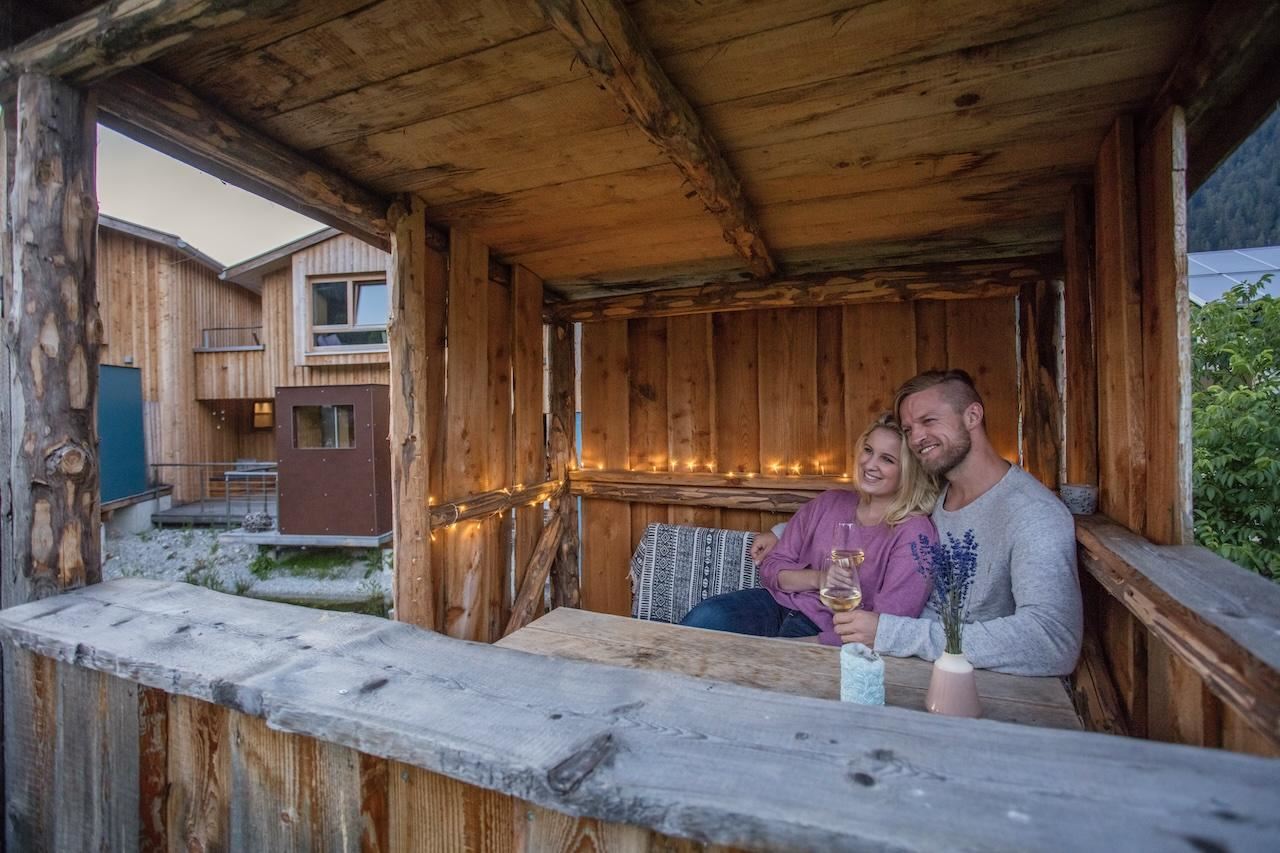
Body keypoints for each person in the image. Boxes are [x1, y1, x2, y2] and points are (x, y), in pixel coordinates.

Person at [834, 369, 1083, 676]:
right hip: (894, 661)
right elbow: (874, 519)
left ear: (972, 416)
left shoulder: (1033, 513)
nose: (916, 438)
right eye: (909, 429)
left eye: (929, 421)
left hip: (968, 682)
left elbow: (1052, 642)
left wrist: (891, 634)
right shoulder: (933, 494)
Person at [681, 413, 938, 645]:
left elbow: (886, 627)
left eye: (887, 459)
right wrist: (819, 578)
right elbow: (772, 567)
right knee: (704, 620)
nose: (870, 464)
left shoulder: (914, 533)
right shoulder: (829, 502)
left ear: (908, 471)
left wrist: (802, 647)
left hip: (832, 630)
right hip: (777, 605)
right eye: (868, 450)